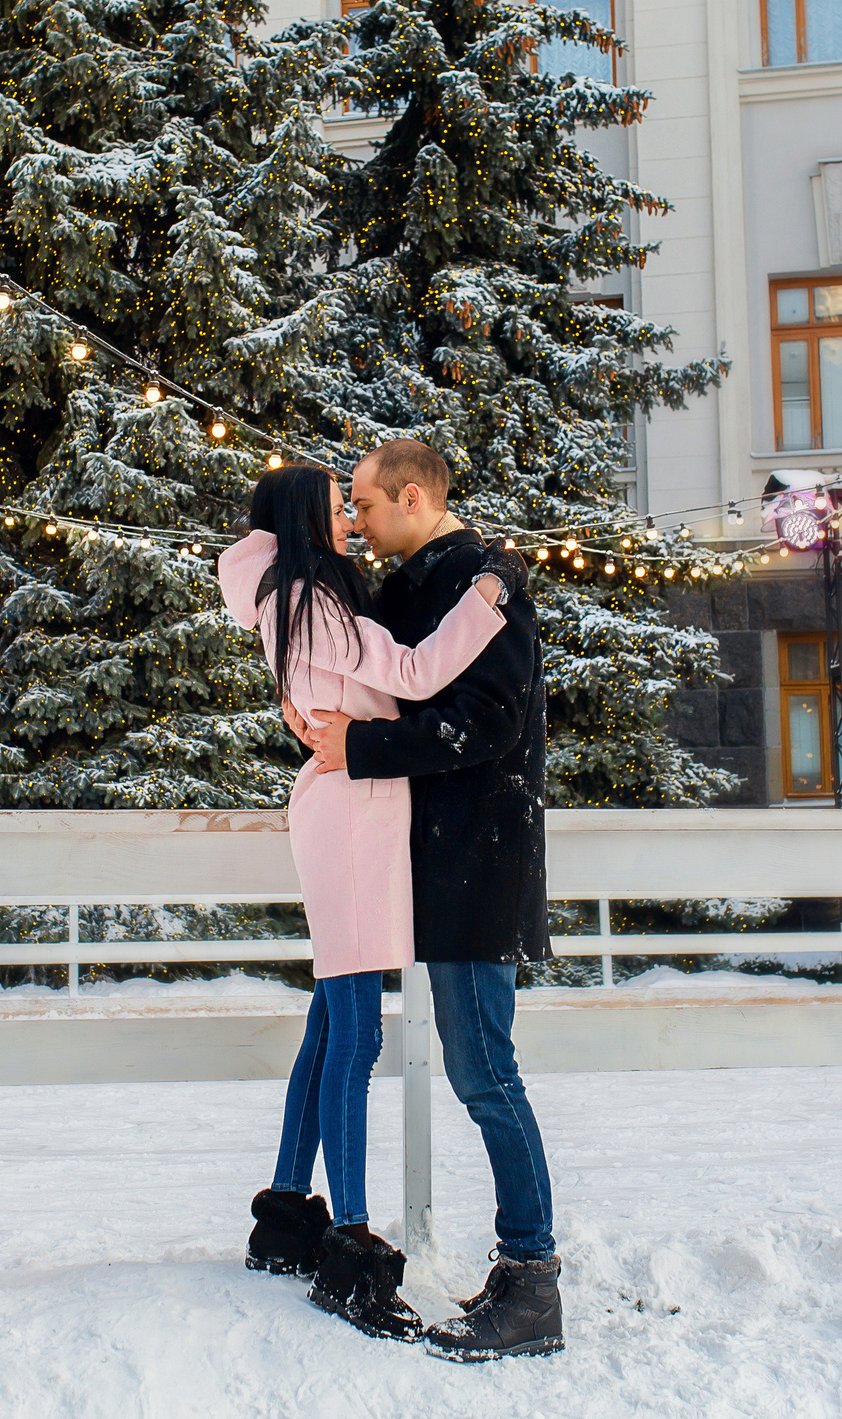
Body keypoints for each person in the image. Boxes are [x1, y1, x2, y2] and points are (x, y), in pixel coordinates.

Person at [214, 462, 511, 1342]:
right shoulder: (308, 602)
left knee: (326, 1024)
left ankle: (285, 1219)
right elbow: (417, 674)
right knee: (355, 1032)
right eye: (335, 507)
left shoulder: (293, 600)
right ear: (305, 519)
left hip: (345, 811)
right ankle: (349, 1248)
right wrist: (486, 600)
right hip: (351, 817)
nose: (349, 518)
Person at [289, 438, 563, 1362]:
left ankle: (532, 1278)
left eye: (363, 505)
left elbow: (485, 724)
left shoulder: (486, 583)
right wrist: (316, 713)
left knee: (484, 1069)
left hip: (477, 866)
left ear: (411, 496)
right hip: (425, 866)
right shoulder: (417, 583)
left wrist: (356, 749)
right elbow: (364, 669)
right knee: (467, 1064)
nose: (356, 524)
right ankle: (519, 1268)